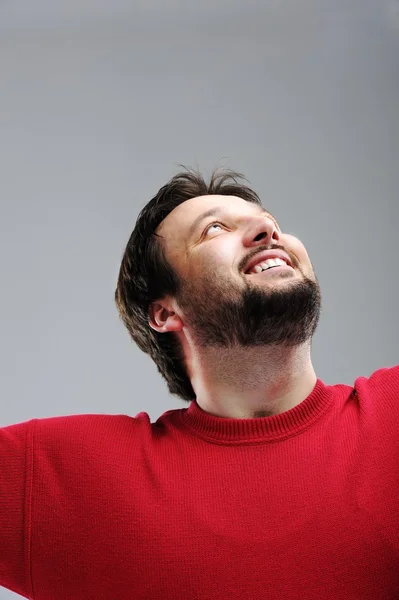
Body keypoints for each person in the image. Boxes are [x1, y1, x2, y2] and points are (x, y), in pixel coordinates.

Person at [0, 167, 398, 600]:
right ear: (165, 313)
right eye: (214, 229)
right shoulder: (67, 478)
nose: (267, 230)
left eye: (272, 222)